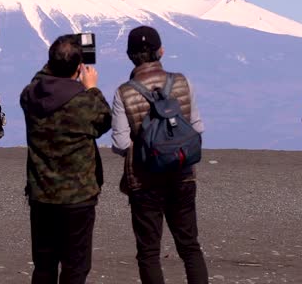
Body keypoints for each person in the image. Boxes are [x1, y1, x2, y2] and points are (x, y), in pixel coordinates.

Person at [110, 25, 209, 284]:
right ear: (161, 51)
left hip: (143, 181)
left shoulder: (124, 92)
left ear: (130, 55)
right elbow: (197, 128)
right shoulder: (181, 82)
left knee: (149, 252)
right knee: (190, 247)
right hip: (182, 175)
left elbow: (121, 142)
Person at [21, 34, 113, 284]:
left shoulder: (30, 96)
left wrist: (60, 57)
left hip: (42, 195)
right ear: (78, 68)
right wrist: (91, 86)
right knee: (75, 267)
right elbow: (105, 119)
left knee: (44, 266)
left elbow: (39, 80)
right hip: (78, 198)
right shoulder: (84, 102)